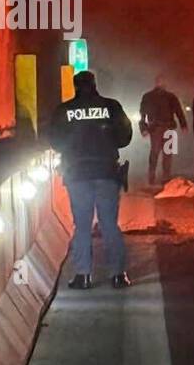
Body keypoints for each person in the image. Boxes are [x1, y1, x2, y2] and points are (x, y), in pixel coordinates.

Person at [49, 70, 133, 289]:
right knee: (109, 225)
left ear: (75, 86)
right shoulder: (111, 107)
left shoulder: (64, 110)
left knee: (82, 225)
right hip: (106, 172)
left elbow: (55, 142)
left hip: (77, 173)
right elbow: (125, 138)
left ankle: (83, 276)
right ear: (95, 84)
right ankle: (118, 275)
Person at [139, 75, 188, 185]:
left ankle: (162, 177)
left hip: (164, 127)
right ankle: (156, 176)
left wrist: (183, 124)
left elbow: (178, 112)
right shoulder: (154, 96)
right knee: (159, 153)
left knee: (164, 153)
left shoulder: (165, 97)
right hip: (159, 127)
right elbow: (142, 114)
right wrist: (143, 128)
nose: (162, 83)